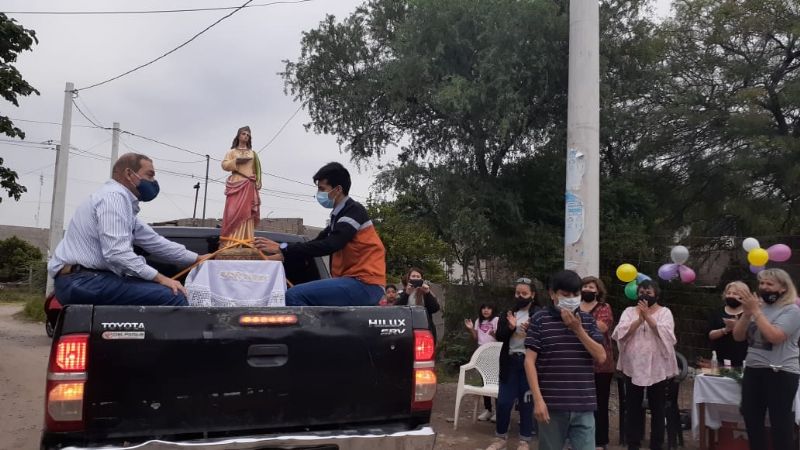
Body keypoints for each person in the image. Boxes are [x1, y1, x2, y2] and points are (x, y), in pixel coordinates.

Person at [47, 153, 203, 306]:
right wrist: (162, 279)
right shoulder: (114, 197)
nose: (153, 182)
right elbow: (117, 253)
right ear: (129, 173)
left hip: (83, 280)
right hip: (85, 281)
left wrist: (199, 259)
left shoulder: (124, 206)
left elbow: (155, 243)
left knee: (160, 290)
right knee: (175, 296)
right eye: (149, 175)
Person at [254, 162, 386, 306]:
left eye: (322, 189)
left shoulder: (353, 212)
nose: (319, 194)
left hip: (364, 284)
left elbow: (329, 245)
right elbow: (313, 244)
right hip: (355, 283)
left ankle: (314, 329)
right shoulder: (338, 217)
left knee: (293, 295)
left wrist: (282, 247)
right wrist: (283, 255)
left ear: (338, 189)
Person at [524, 270, 606, 450]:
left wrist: (578, 330)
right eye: (565, 295)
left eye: (575, 295)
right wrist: (538, 400)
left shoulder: (588, 320)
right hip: (551, 406)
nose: (571, 299)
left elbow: (601, 356)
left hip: (583, 404)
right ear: (553, 294)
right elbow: (529, 361)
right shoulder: (539, 320)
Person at [732, 268, 800, 450]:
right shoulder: (757, 308)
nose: (764, 287)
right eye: (761, 283)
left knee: (780, 424)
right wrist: (747, 314)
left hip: (781, 372)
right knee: (751, 420)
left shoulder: (792, 310)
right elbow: (738, 336)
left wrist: (756, 312)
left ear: (783, 288)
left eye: (770, 284)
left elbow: (775, 337)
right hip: (754, 371)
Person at [612, 280, 678, 450]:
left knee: (658, 408)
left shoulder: (665, 312)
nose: (644, 295)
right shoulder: (629, 311)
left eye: (648, 292)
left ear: (656, 294)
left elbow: (668, 336)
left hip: (657, 367)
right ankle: (633, 444)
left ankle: (657, 444)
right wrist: (638, 320)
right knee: (633, 407)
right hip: (632, 366)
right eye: (641, 292)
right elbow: (620, 333)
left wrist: (648, 317)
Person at [485, 277, 539, 450]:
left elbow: (544, 339)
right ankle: (500, 438)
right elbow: (499, 336)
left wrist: (531, 330)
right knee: (504, 402)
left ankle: (524, 440)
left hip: (529, 364)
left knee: (526, 402)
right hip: (510, 362)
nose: (520, 296)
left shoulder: (539, 314)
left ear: (533, 295)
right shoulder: (508, 312)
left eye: (524, 293)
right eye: (517, 293)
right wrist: (510, 327)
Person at [579, 276, 615, 450]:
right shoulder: (574, 306)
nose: (588, 289)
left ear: (598, 291)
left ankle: (600, 442)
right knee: (580, 403)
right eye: (585, 286)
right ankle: (580, 440)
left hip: (601, 364)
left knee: (599, 403)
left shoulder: (604, 307)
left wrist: (578, 323)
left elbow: (602, 327)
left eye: (591, 287)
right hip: (578, 362)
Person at [220, 126, 262, 247]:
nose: (245, 136)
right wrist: (236, 161)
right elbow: (224, 165)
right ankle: (231, 242)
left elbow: (256, 170)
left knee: (247, 212)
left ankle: (247, 241)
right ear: (238, 135)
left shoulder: (253, 154)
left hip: (249, 185)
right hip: (236, 184)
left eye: (248, 135)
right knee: (232, 212)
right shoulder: (231, 152)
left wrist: (257, 181)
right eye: (243, 134)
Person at [465, 303, 499, 422]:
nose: (486, 310)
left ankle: (498, 412)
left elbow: (500, 336)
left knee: (495, 382)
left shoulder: (496, 320)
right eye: (483, 308)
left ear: (493, 309)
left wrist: (493, 333)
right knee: (483, 381)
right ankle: (488, 410)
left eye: (489, 308)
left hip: (494, 353)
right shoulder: (478, 321)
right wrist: (470, 329)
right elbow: (476, 337)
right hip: (481, 353)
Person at [707, 281, 748, 368]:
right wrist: (725, 329)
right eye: (728, 293)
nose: (731, 296)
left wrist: (738, 327)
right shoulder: (717, 312)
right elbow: (709, 335)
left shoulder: (749, 313)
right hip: (720, 360)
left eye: (735, 293)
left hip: (744, 360)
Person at [396, 267, 441, 342]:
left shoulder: (426, 293)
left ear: (422, 279)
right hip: (406, 328)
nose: (416, 278)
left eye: (418, 277)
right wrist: (407, 293)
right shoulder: (402, 293)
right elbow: (396, 308)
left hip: (424, 327)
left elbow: (435, 308)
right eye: (413, 276)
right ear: (408, 278)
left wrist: (427, 293)